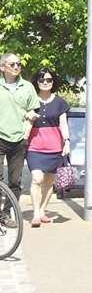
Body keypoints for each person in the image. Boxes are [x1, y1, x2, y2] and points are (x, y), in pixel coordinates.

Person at [26, 68, 69, 228]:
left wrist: (67, 141)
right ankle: (36, 213)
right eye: (42, 80)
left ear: (53, 82)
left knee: (49, 182)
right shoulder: (31, 100)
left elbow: (63, 124)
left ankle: (43, 211)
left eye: (49, 80)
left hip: (54, 148)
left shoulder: (60, 103)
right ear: (36, 82)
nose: (45, 83)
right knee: (37, 178)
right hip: (34, 147)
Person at [0, 53, 40, 203]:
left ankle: (8, 212)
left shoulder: (28, 87)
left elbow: (33, 111)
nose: (16, 67)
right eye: (12, 64)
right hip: (0, 136)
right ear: (2, 67)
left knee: (15, 181)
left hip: (19, 139)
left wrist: (26, 136)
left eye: (19, 64)